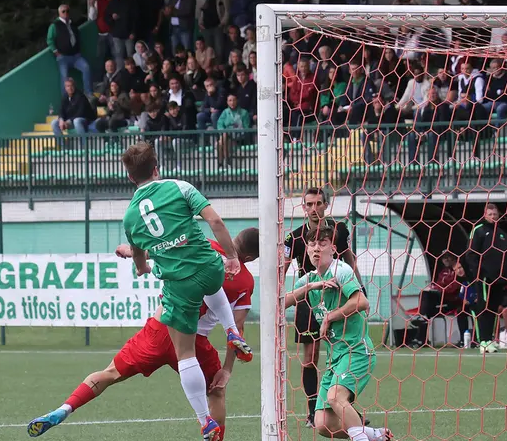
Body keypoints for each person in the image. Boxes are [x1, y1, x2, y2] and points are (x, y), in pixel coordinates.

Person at [26, 228, 259, 439]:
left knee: (110, 373)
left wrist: (130, 251)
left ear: (235, 238)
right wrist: (226, 370)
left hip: (159, 329)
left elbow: (158, 250)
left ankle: (64, 408)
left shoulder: (202, 244)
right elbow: (237, 329)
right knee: (216, 393)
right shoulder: (246, 281)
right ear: (249, 258)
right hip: (194, 342)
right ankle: (210, 429)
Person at [99, 142, 251, 439]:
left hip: (180, 284)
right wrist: (232, 256)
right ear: (157, 168)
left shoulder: (130, 216)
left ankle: (204, 420)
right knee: (209, 281)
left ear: (130, 177)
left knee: (185, 355)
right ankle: (231, 329)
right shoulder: (180, 187)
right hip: (210, 269)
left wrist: (141, 267)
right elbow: (215, 221)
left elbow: (141, 256)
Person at [284, 226, 392, 441]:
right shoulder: (309, 279)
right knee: (323, 423)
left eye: (322, 244)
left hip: (357, 351)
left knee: (335, 397)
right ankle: (376, 436)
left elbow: (362, 301)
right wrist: (310, 287)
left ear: (333, 248)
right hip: (336, 358)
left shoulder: (341, 270)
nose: (316, 249)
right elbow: (281, 303)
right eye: (312, 244)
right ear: (306, 250)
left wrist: (330, 317)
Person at [283, 187, 362, 428]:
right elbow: (283, 267)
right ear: (303, 207)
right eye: (309, 204)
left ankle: (345, 408)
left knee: (344, 349)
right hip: (309, 300)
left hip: (336, 297)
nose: (314, 208)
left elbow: (349, 259)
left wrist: (361, 289)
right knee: (311, 356)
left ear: (326, 205)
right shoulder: (293, 237)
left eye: (318, 203)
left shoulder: (339, 231)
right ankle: (311, 412)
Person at [466, 203, 507, 354]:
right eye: (490, 214)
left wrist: (506, 275)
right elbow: (471, 254)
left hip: (499, 279)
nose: (493, 217)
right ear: (485, 215)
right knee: (484, 307)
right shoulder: (479, 230)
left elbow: (506, 257)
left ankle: (490, 339)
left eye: (495, 214)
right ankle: (483, 341)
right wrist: (479, 274)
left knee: (493, 308)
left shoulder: (503, 234)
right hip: (484, 278)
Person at [412, 253, 467, 348]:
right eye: (443, 258)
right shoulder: (443, 272)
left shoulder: (460, 275)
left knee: (427, 303)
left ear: (454, 258)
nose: (445, 260)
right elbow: (438, 285)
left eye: (447, 257)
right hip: (442, 300)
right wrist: (436, 288)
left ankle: (420, 334)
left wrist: (439, 288)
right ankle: (421, 339)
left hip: (453, 301)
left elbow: (452, 289)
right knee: (426, 302)